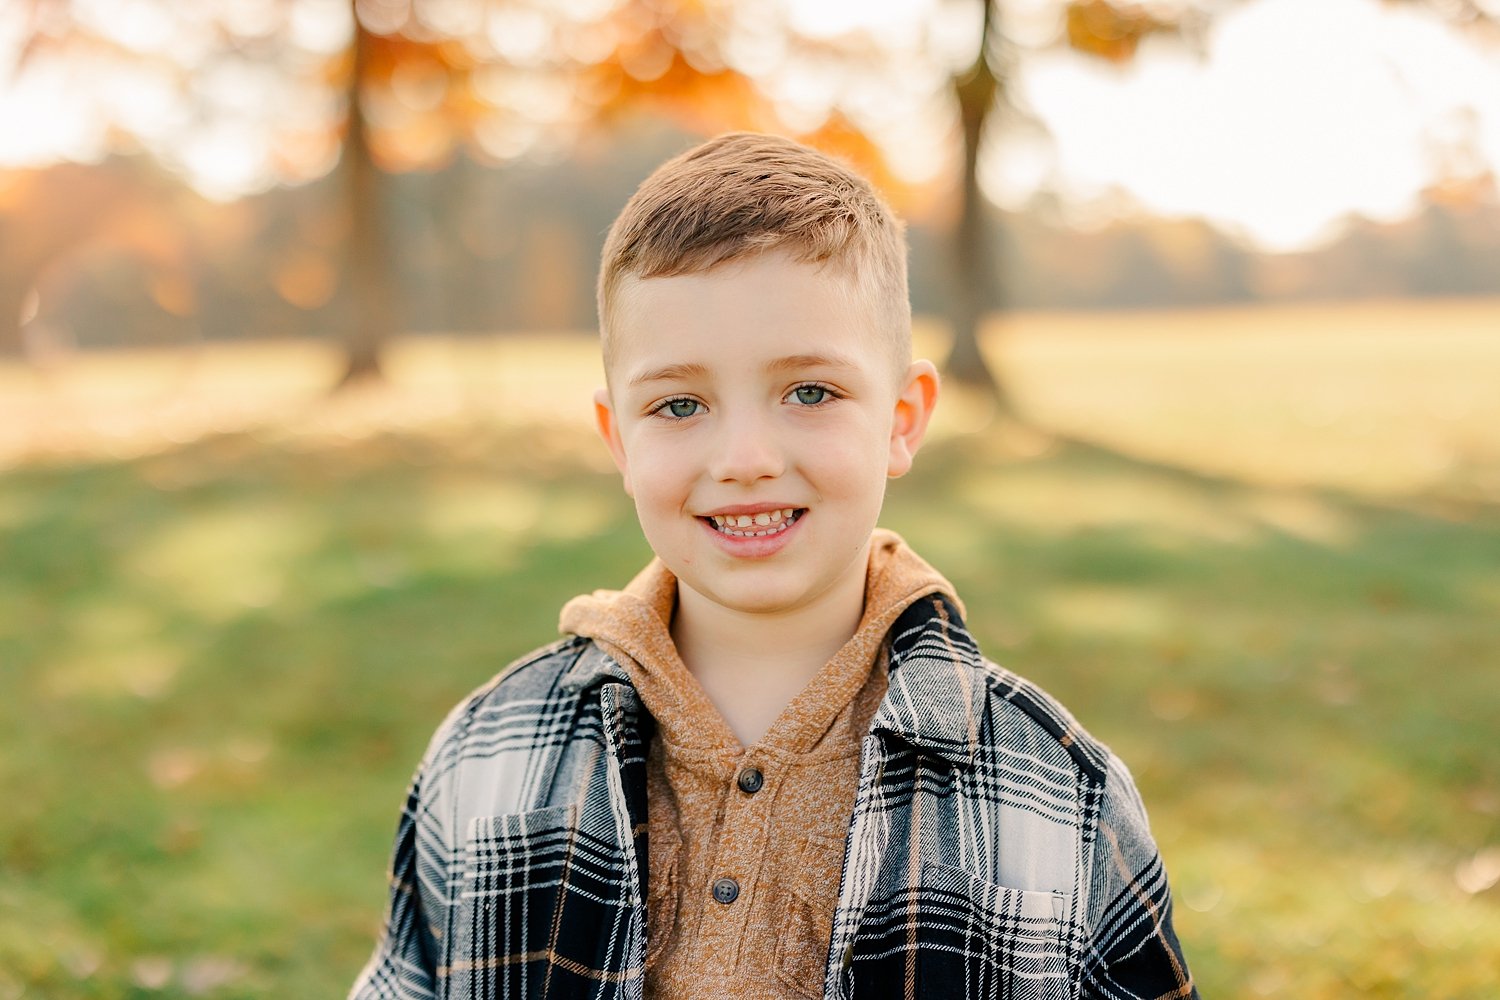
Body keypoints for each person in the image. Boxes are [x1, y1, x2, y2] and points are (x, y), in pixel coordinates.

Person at [349, 132, 1196, 1000]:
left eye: (810, 392)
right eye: (680, 404)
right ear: (619, 440)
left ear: (902, 418)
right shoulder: (487, 757)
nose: (746, 457)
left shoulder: (1056, 790)